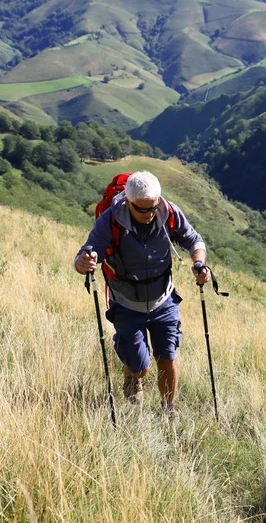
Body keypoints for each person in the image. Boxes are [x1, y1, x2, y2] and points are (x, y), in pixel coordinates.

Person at [75, 170, 210, 417]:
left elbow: (194, 241)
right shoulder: (110, 220)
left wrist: (199, 263)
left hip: (164, 299)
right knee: (141, 366)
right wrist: (83, 263)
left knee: (167, 358)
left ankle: (168, 410)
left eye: (153, 208)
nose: (149, 215)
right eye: (143, 210)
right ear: (128, 202)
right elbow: (88, 252)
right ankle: (132, 372)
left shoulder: (168, 212)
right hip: (127, 303)